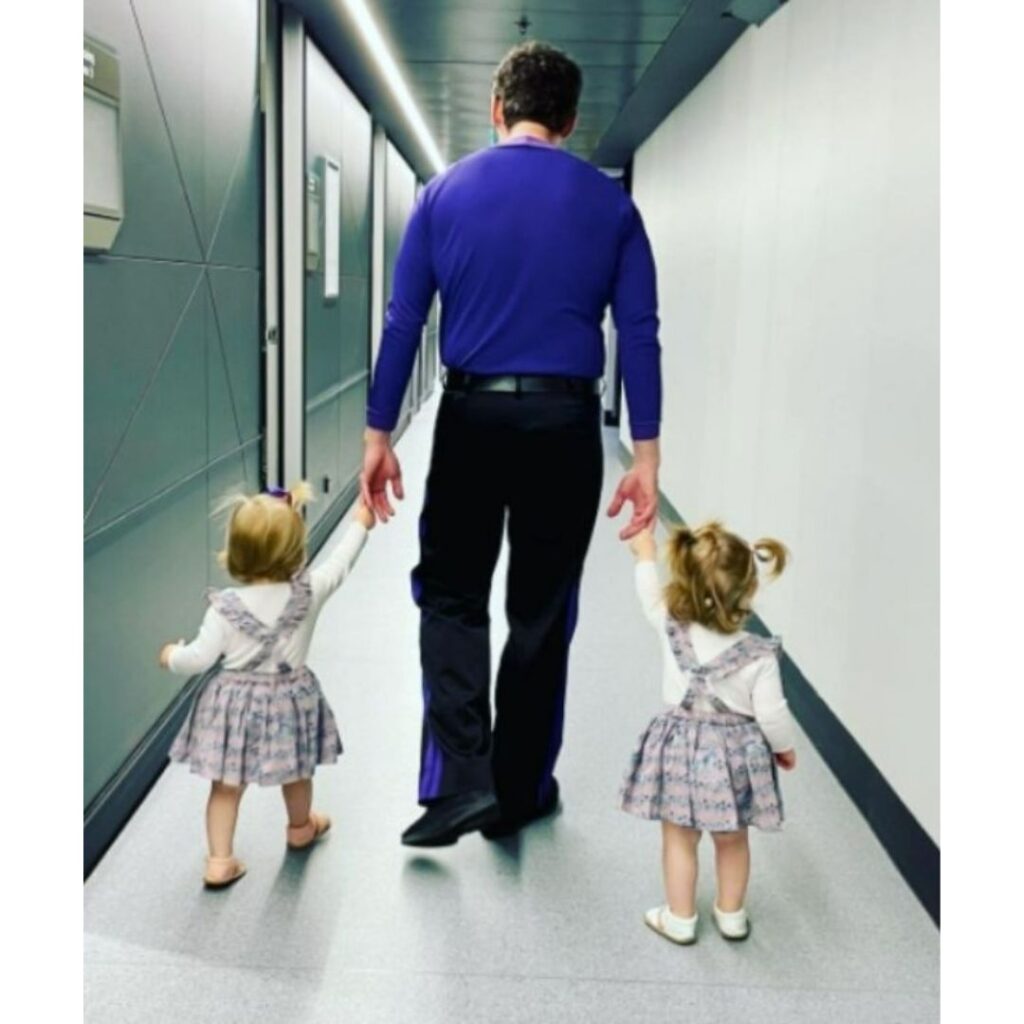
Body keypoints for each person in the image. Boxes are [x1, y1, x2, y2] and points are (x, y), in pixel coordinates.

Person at [360, 41, 663, 847]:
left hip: (470, 419)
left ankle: (458, 780)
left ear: (498, 110)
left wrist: (378, 433)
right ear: (569, 120)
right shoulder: (612, 209)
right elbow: (639, 332)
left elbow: (403, 325)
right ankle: (519, 791)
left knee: (452, 595)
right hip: (566, 428)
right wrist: (646, 456)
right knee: (540, 611)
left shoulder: (443, 194)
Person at [159, 484, 374, 888]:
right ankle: (300, 828)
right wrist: (361, 522)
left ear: (236, 552)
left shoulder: (224, 606)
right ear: (297, 550)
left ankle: (220, 860)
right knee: (297, 772)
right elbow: (342, 561)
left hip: (232, 708)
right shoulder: (309, 593)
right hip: (289, 702)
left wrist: (171, 654)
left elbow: (199, 659)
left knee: (225, 786)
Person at [619, 521, 797, 944]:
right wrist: (783, 748)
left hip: (679, 748)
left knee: (679, 836)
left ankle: (680, 918)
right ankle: (730, 914)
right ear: (748, 590)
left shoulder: (669, 624)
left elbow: (648, 589)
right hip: (736, 755)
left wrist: (644, 553)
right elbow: (771, 714)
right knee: (733, 838)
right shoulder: (758, 655)